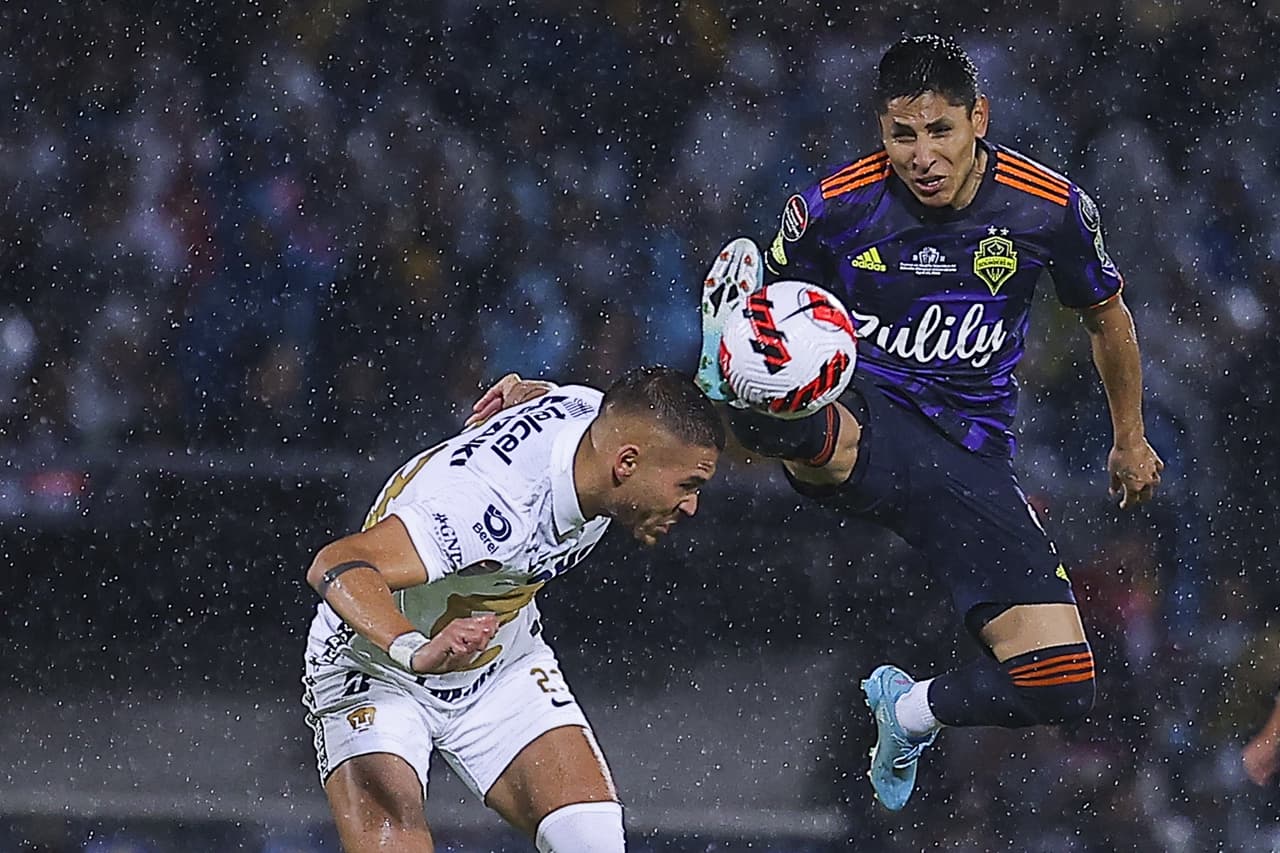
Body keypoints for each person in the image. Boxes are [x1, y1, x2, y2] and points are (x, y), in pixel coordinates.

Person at [692, 34, 1164, 810]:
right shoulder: (829, 208)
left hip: (971, 456)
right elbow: (777, 320)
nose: (922, 156)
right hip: (869, 416)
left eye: (940, 130)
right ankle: (745, 390)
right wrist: (745, 367)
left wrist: (1130, 436)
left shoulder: (1049, 207)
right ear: (879, 130)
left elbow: (1107, 316)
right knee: (790, 410)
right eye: (901, 135)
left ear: (979, 118)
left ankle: (908, 710)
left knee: (1060, 682)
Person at [302, 365, 723, 852]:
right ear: (626, 463)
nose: (690, 506)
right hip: (374, 663)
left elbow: (581, 404)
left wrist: (530, 393)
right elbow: (337, 563)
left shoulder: (594, 416)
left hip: (498, 663)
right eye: (688, 485)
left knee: (593, 844)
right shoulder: (494, 507)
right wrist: (414, 649)